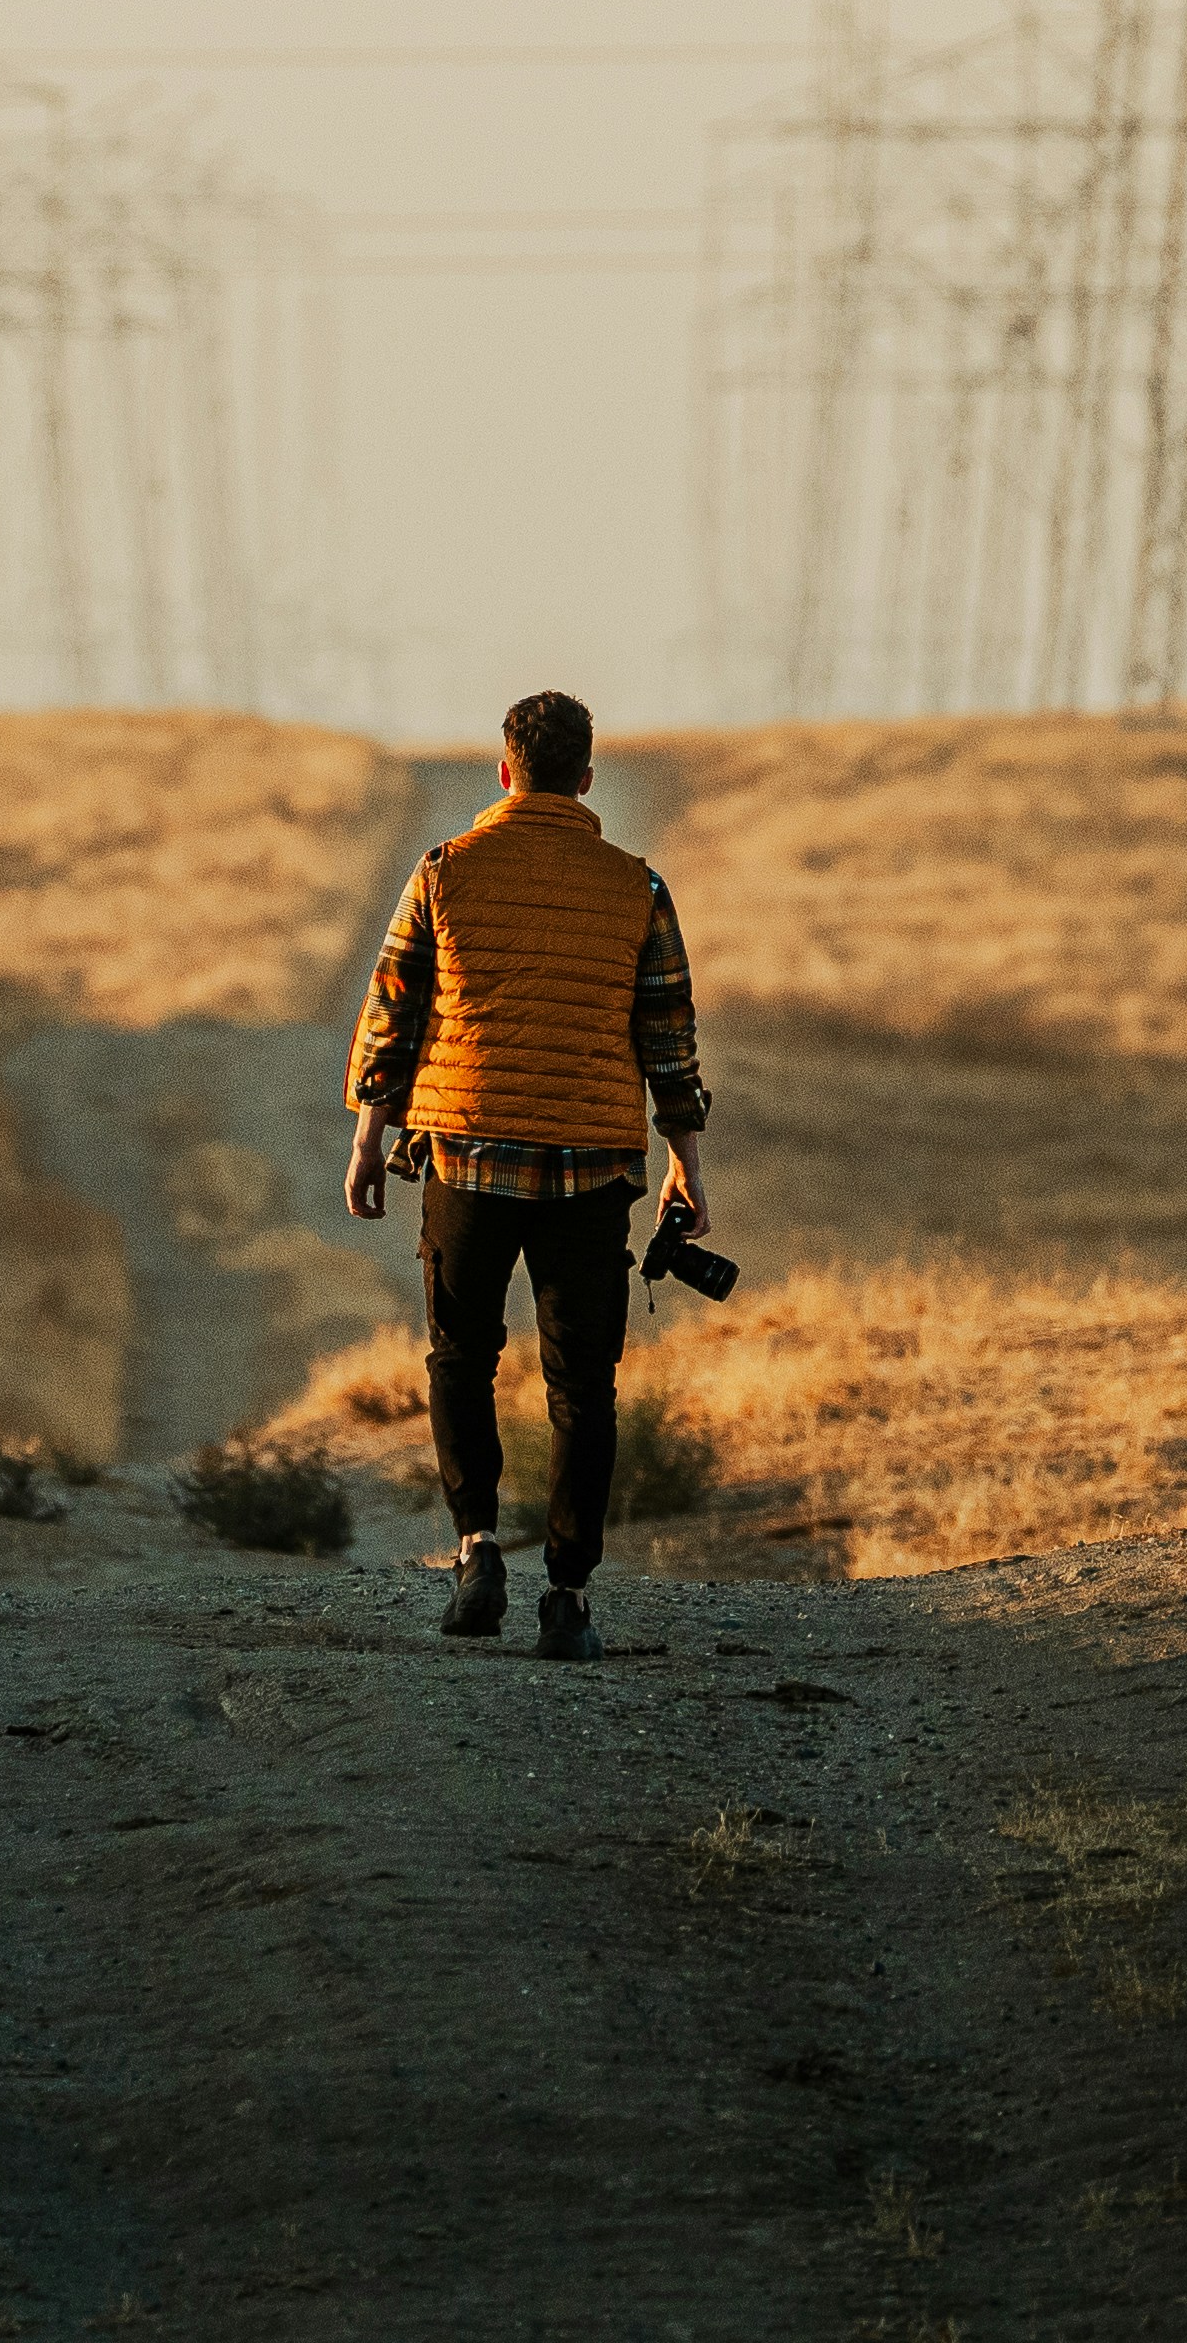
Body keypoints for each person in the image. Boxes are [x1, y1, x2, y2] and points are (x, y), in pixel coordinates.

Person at [339, 687, 710, 1662]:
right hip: (590, 1168)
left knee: (460, 1354)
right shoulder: (638, 887)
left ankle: (472, 1552)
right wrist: (687, 1161)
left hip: (465, 1152)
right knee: (583, 1385)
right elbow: (668, 1034)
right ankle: (569, 1595)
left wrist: (370, 1134)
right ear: (587, 777)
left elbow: (393, 1007)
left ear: (503, 770)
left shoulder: (444, 871)